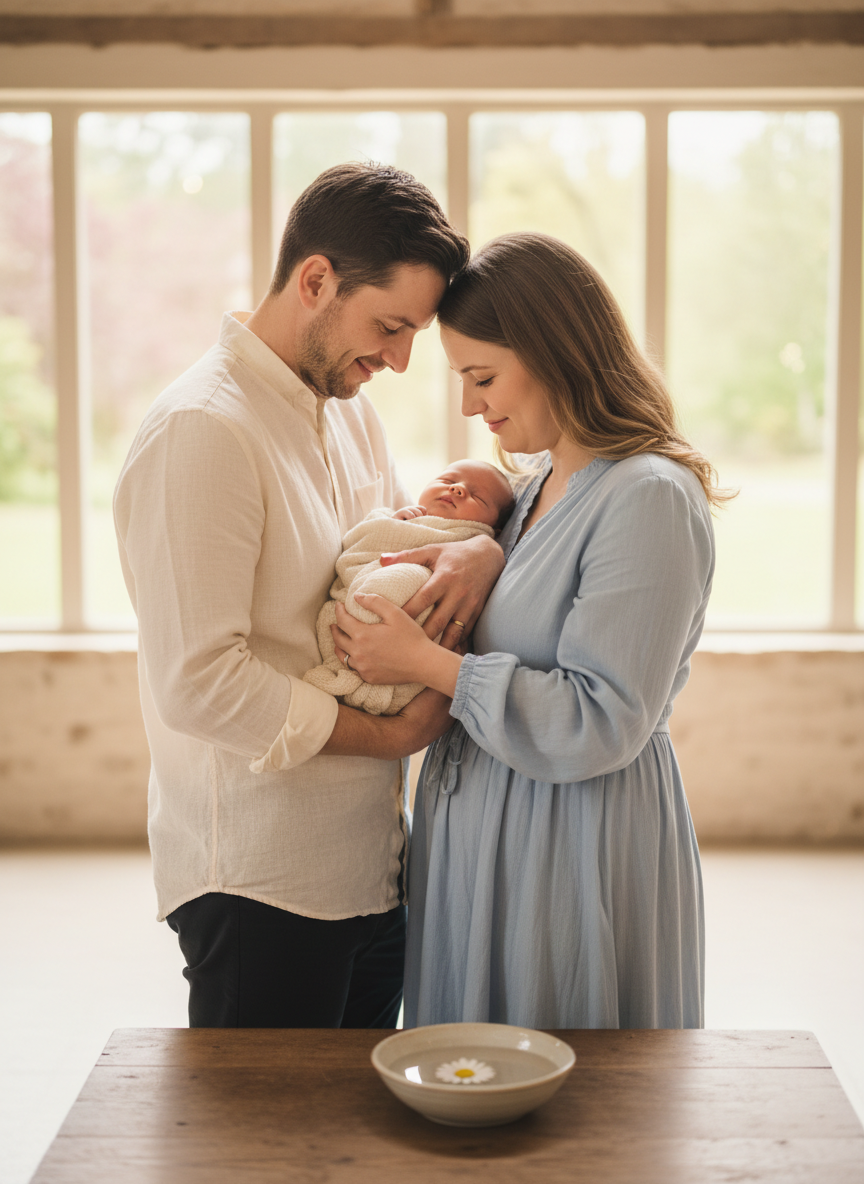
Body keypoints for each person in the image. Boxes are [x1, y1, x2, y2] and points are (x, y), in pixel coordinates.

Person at [113, 163, 507, 1030]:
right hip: (262, 884)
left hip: (370, 870)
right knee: (260, 1158)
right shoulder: (201, 432)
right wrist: (395, 735)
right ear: (316, 280)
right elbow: (199, 682)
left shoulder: (347, 410)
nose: (400, 361)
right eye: (389, 327)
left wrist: (478, 550)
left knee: (355, 1151)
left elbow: (401, 556)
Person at [331, 232, 729, 1030]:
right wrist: (479, 547)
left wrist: (427, 664)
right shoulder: (541, 480)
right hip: (487, 843)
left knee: (568, 1106)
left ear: (556, 352)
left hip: (572, 845)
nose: (471, 406)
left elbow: (603, 716)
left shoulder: (647, 497)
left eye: (483, 377)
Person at [304, 459, 514, 716]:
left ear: (494, 528)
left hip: (422, 624)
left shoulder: (473, 543)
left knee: (407, 576)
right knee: (385, 581)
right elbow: (357, 547)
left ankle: (374, 645)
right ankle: (362, 638)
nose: (458, 489)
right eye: (448, 481)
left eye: (478, 498)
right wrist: (394, 523)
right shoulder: (400, 517)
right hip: (361, 591)